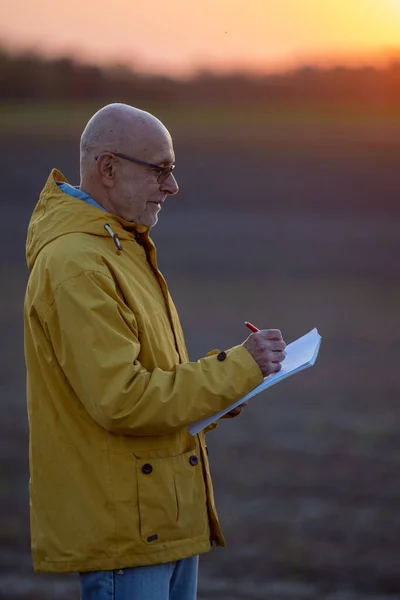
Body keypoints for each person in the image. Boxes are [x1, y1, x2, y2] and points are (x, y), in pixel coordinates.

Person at [24, 103, 286, 600]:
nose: (173, 186)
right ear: (108, 168)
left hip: (159, 522)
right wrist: (236, 368)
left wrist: (227, 389)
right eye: (160, 169)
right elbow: (123, 399)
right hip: (126, 531)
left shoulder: (119, 247)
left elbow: (153, 380)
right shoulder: (78, 265)